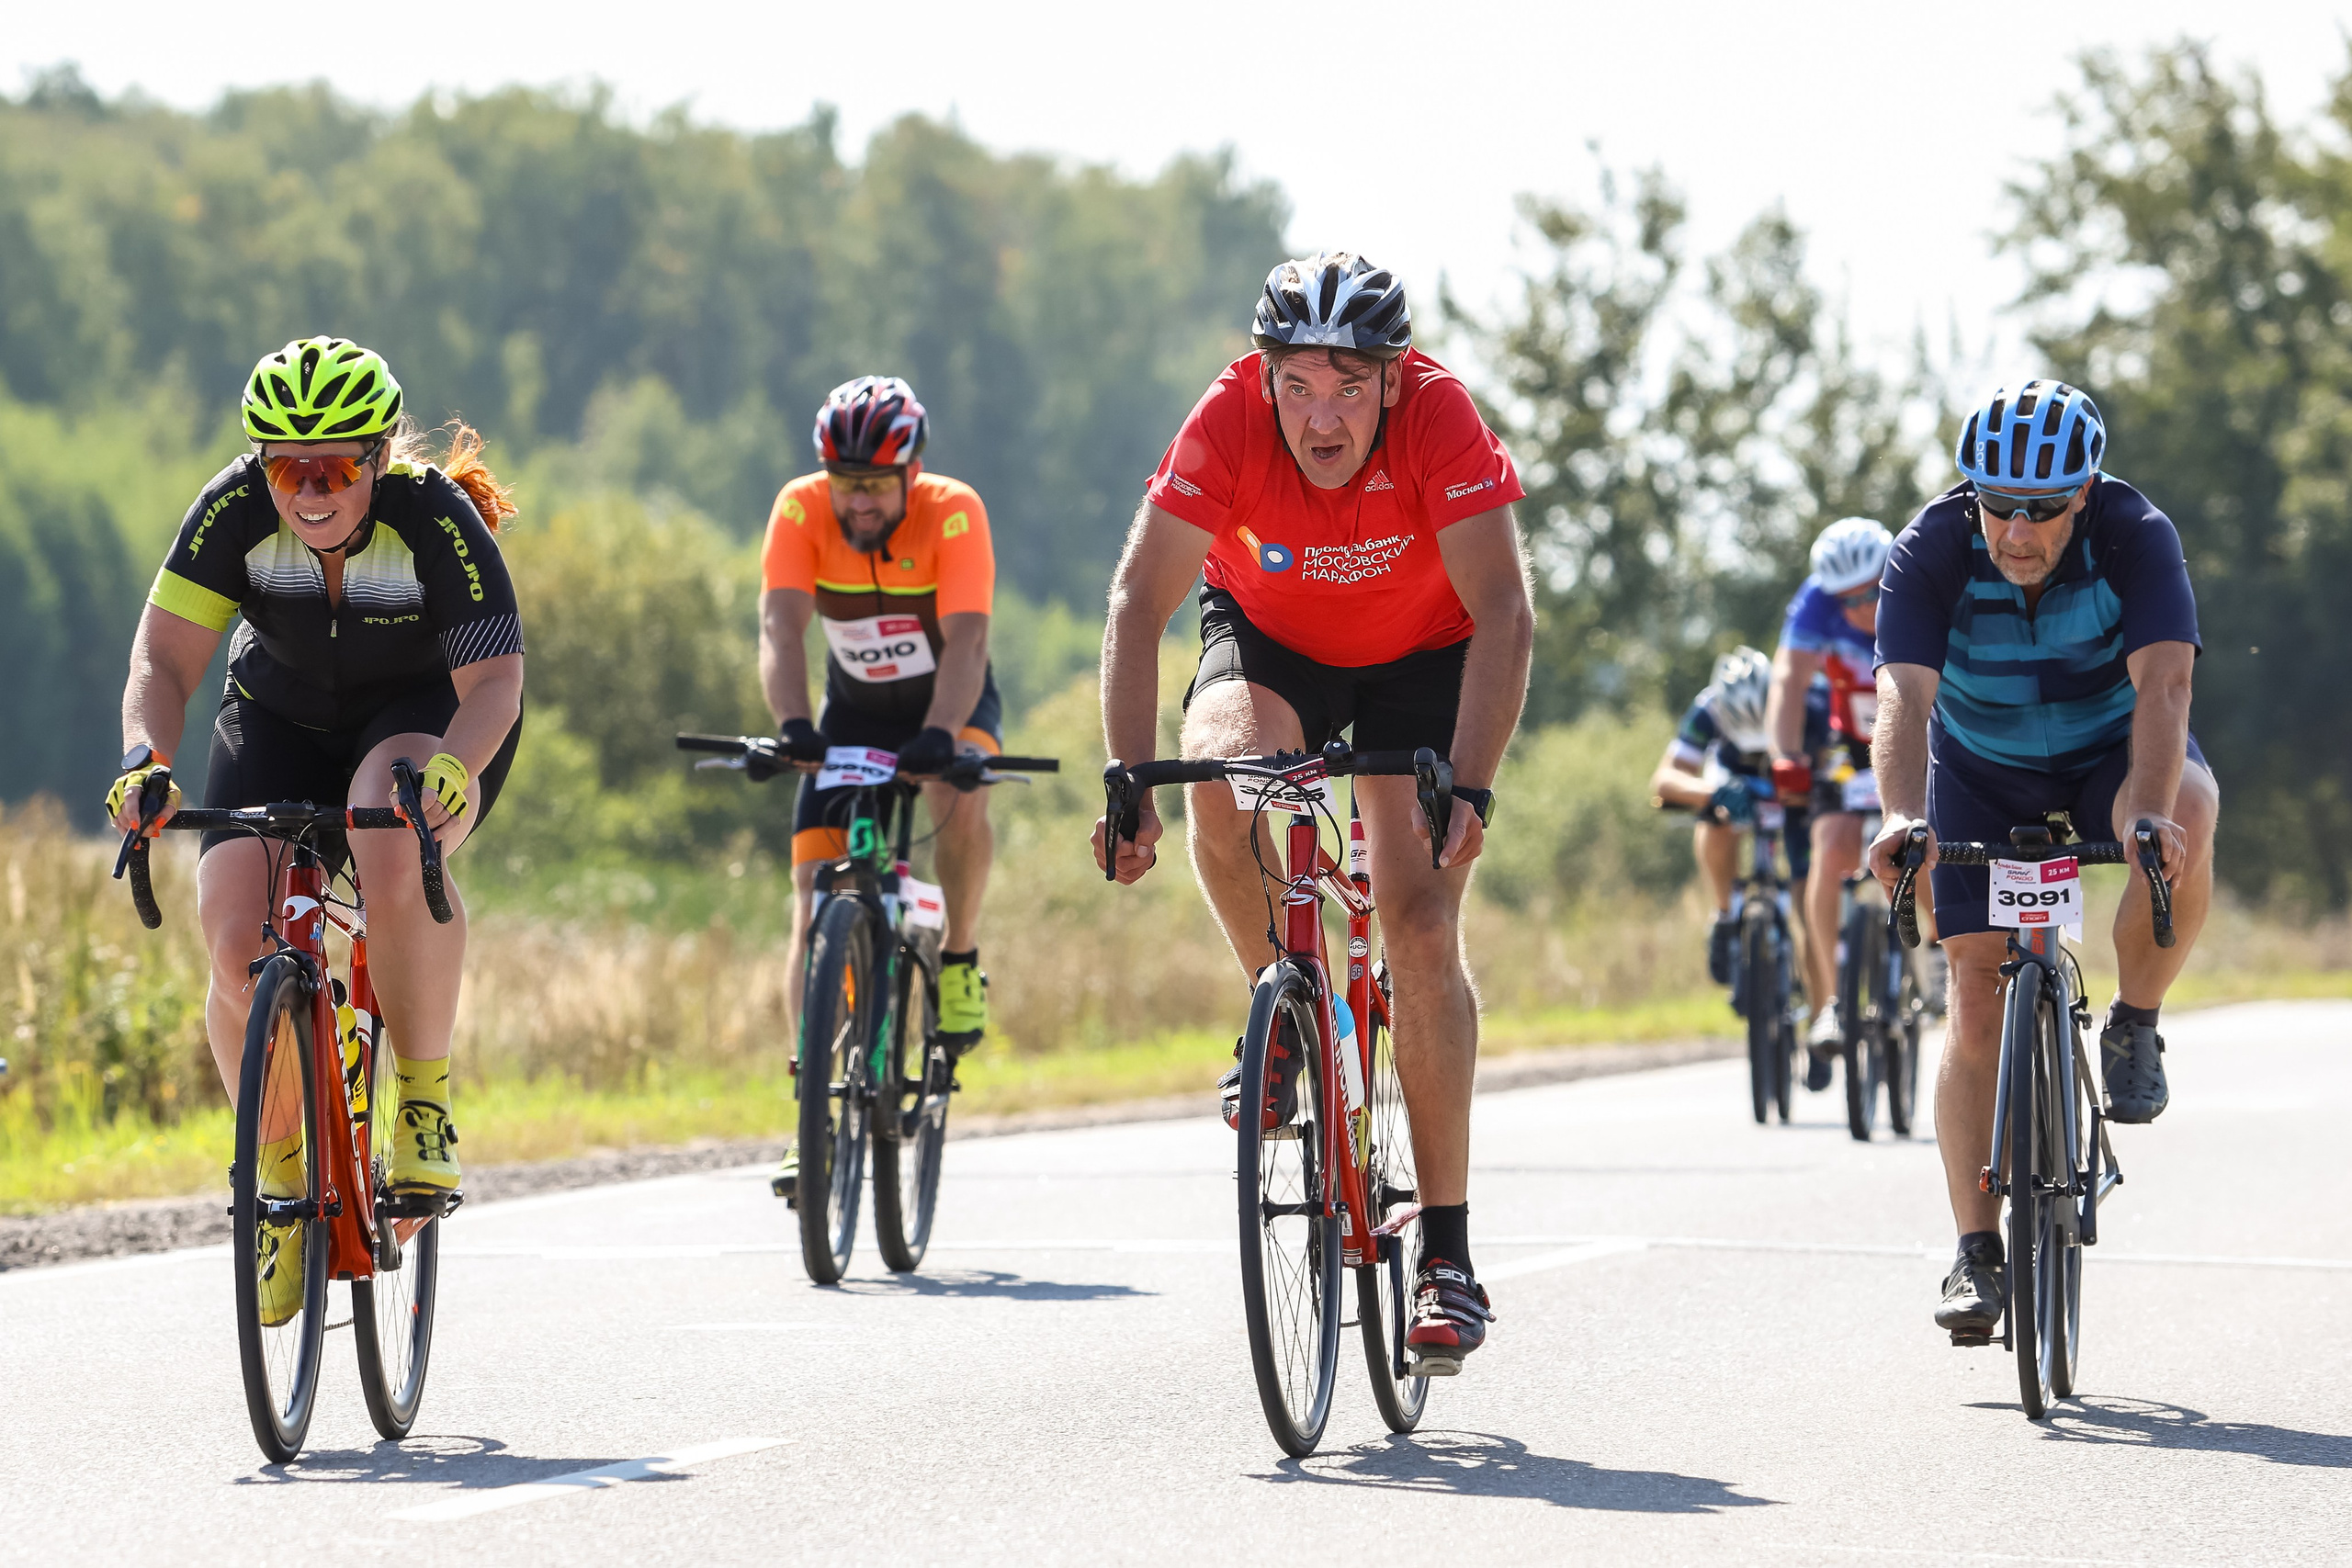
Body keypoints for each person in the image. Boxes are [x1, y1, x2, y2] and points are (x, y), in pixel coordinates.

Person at [1091, 252, 1535, 1375]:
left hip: (1424, 656)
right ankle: (1282, 1014)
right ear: (1264, 374)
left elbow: (1503, 613)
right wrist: (1125, 776)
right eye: (1297, 384)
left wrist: (1470, 784)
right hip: (1274, 635)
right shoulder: (1226, 419)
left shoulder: (1439, 418)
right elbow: (1140, 603)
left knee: (1419, 920)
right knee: (1222, 778)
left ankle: (1445, 1256)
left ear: (1391, 380)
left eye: (1347, 385)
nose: (1319, 416)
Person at [107, 336, 525, 1324]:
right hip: (279, 721)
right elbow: (162, 665)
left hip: (426, 720)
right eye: (288, 467)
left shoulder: (434, 518)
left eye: (336, 466)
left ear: (379, 460)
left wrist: (453, 772)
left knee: (389, 831)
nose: (311, 489)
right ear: (260, 465)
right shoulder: (232, 512)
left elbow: (496, 683)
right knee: (232, 937)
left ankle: (421, 1098)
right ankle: (279, 1177)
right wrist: (142, 760)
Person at [1866, 379, 2215, 1340]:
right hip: (1983, 769)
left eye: (2043, 511)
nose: (2016, 532)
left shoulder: (2136, 533)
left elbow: (2166, 679)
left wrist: (2145, 814)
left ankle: (2136, 1021)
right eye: (1996, 506)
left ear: (2086, 493)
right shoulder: (1930, 548)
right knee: (1973, 994)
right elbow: (1901, 693)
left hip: (2113, 753)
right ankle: (1975, 1252)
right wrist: (1900, 814)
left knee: (2187, 810)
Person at [756, 375, 1001, 1077]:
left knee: (957, 802)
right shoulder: (800, 509)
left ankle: (958, 954)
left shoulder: (954, 512)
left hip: (950, 700)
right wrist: (795, 723)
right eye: (845, 482)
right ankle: (812, 1102)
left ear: (911, 472)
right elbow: (780, 628)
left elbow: (969, 643)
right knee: (812, 892)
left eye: (876, 485)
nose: (859, 501)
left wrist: (941, 735)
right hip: (854, 710)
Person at [1764, 517, 1895, 1089]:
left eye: (1871, 594)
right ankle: (1833, 1001)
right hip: (1853, 740)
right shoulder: (1816, 601)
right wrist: (1784, 754)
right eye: (1847, 600)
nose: (1861, 609)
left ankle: (1937, 950)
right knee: (1830, 843)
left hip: (1922, 730)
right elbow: (1789, 682)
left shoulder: (1916, 583)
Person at [1650, 647, 1822, 987]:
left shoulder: (1803, 698)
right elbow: (1665, 780)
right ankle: (1726, 913)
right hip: (1734, 783)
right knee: (1715, 819)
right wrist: (1711, 795)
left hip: (1793, 784)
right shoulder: (1709, 707)